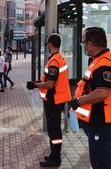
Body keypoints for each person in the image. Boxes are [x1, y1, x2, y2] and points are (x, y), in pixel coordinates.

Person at [69, 27, 111, 169]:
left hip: (102, 122)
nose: (83, 46)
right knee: (98, 161)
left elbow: (102, 92)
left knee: (101, 163)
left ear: (91, 43)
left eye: (84, 43)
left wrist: (78, 101)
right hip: (98, 121)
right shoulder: (98, 60)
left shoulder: (104, 63)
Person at [26, 33, 71, 167]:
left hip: (54, 100)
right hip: (57, 99)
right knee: (54, 129)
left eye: (47, 43)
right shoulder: (59, 58)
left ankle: (55, 157)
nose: (46, 45)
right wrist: (39, 82)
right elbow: (51, 81)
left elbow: (50, 84)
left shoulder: (54, 61)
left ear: (50, 44)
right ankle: (54, 154)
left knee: (54, 130)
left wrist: (35, 85)